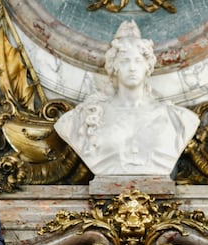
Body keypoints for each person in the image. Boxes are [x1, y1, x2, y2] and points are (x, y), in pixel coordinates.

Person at [54, 20, 199, 176]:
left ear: (148, 66)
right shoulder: (86, 116)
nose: (132, 68)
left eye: (138, 61)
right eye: (124, 61)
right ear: (114, 67)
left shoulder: (178, 118)